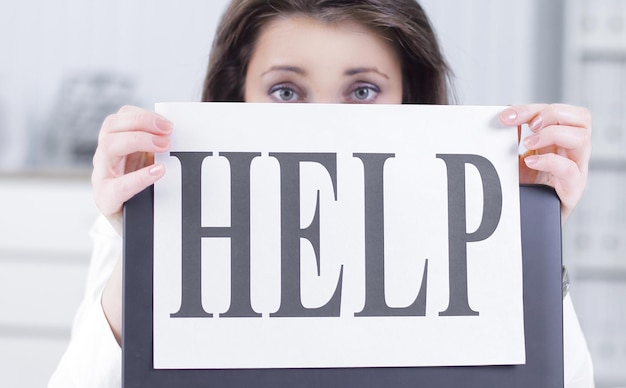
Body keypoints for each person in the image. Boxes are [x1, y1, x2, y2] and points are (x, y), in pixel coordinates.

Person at [49, 0, 594, 387]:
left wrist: (531, 236)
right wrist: (148, 242)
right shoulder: (143, 217)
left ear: (411, 100)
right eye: (286, 91)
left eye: (363, 91)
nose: (326, 123)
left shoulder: (467, 231)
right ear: (236, 99)